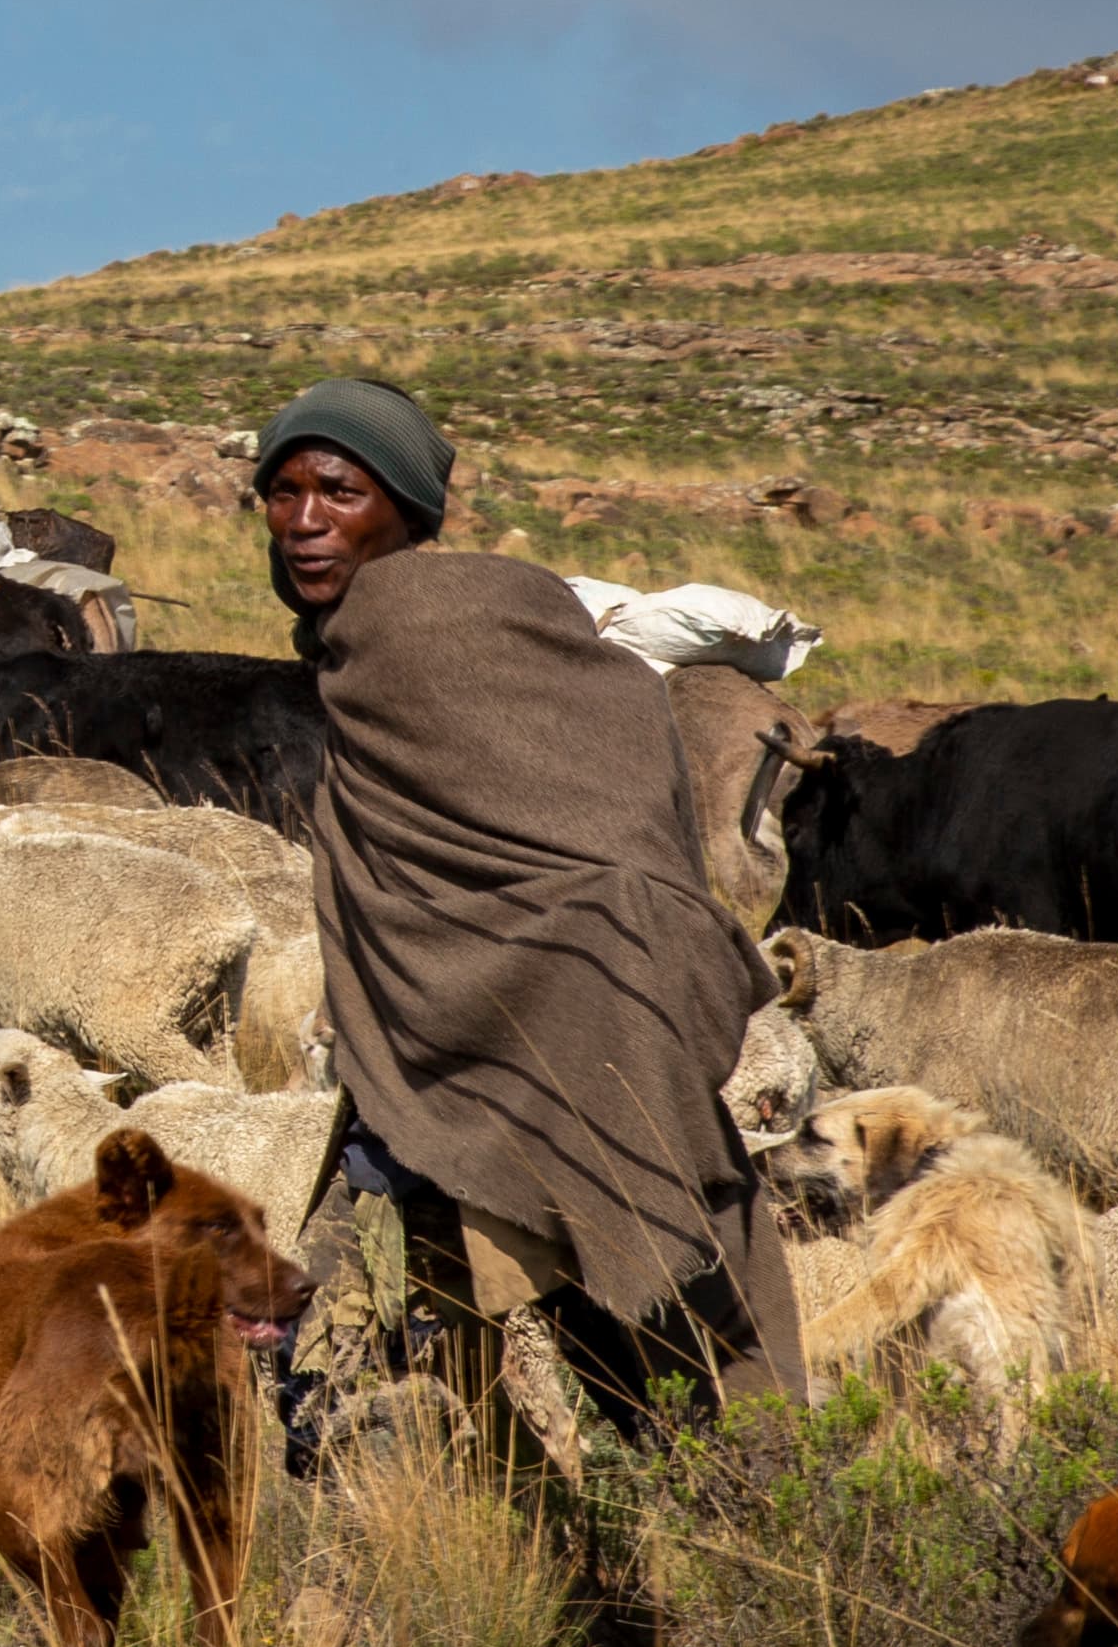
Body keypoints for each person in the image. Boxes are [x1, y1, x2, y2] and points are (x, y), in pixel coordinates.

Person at [256, 375, 801, 1456]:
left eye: (340, 491)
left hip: (537, 1031)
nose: (305, 519)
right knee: (613, 1348)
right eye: (282, 493)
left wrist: (576, 938)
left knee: (547, 1328)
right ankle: (628, 1519)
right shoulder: (389, 638)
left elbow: (593, 826)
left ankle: (706, 1525)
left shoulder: (420, 625)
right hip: (468, 1052)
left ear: (405, 508)